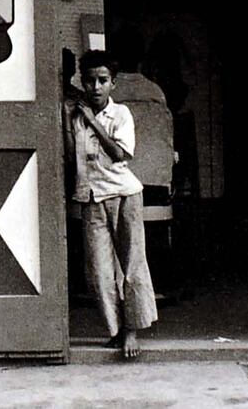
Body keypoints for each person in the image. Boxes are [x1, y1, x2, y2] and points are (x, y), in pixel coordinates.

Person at [62, 49, 157, 360]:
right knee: (99, 271)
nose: (96, 87)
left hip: (124, 195)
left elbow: (119, 154)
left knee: (131, 264)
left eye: (103, 80)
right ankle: (115, 330)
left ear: (113, 83)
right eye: (90, 81)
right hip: (91, 197)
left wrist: (93, 121)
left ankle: (132, 330)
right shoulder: (75, 114)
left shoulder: (121, 114)